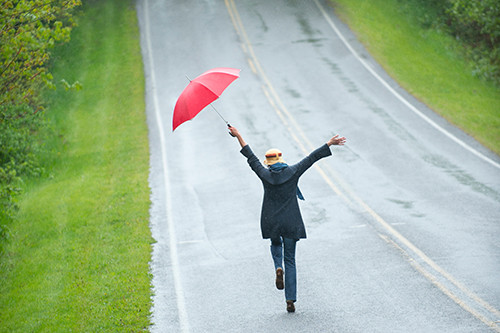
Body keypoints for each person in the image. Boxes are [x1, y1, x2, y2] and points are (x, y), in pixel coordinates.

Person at [228, 126, 346, 313]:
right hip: (291, 222)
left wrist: (238, 136)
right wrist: (329, 143)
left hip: (271, 220)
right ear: (281, 160)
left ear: (268, 162)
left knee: (276, 245)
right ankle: (290, 299)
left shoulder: (264, 174)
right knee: (290, 259)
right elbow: (311, 158)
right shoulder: (293, 171)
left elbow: (250, 157)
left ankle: (277, 267)